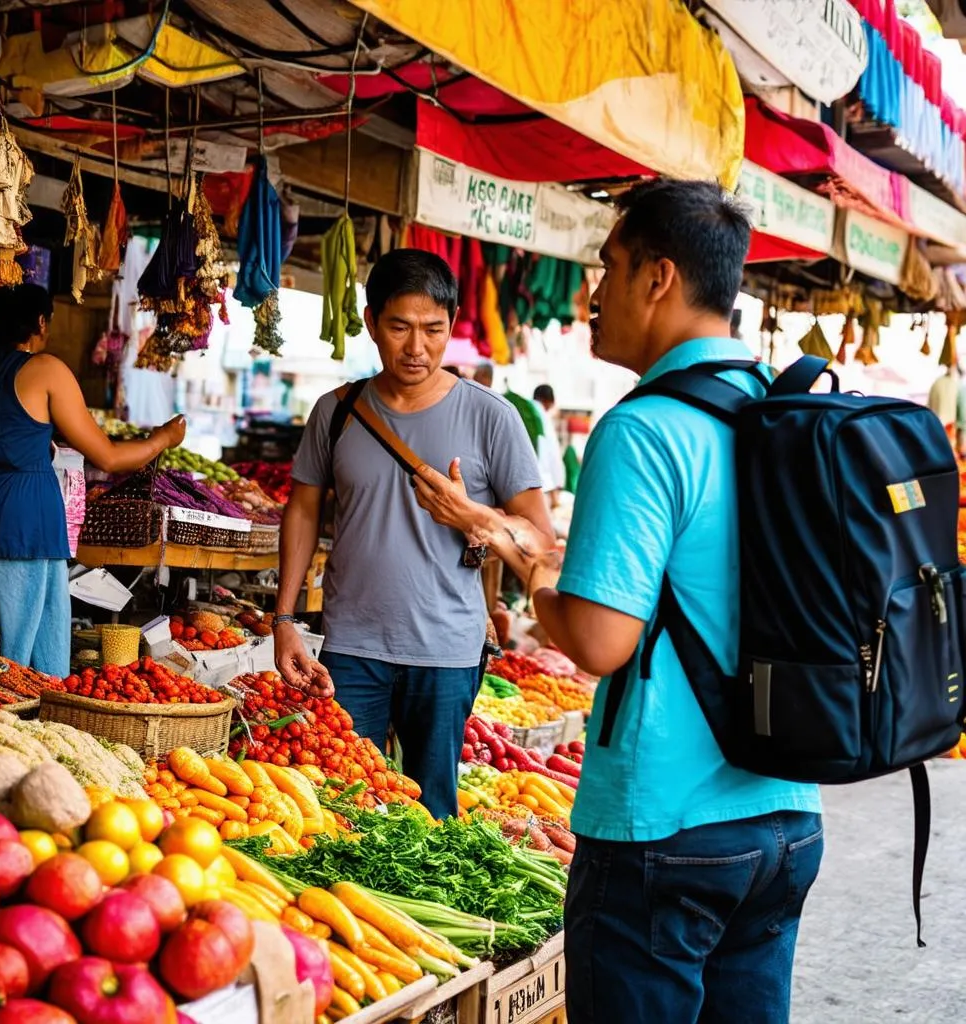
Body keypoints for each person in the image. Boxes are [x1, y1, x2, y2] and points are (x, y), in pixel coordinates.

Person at [412, 180, 823, 1022]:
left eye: (610, 268)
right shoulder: (781, 408)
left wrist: (537, 579)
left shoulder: (645, 428)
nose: (594, 296)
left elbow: (600, 641)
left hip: (665, 831)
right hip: (785, 817)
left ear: (658, 278)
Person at [273, 249, 551, 819]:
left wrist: (473, 516)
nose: (416, 347)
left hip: (447, 650)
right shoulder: (337, 411)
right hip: (351, 648)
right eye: (399, 327)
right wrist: (283, 620)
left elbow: (540, 540)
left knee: (432, 815)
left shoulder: (490, 416)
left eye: (433, 329)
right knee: (343, 804)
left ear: (451, 327)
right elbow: (301, 511)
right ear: (372, 322)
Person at [0, 284, 187, 677]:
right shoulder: (44, 370)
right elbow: (108, 455)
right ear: (41, 322)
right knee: (25, 654)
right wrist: (163, 439)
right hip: (29, 519)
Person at [532, 384, 565, 507]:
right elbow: (552, 455)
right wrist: (555, 491)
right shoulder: (541, 415)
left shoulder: (524, 409)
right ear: (550, 402)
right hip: (540, 486)